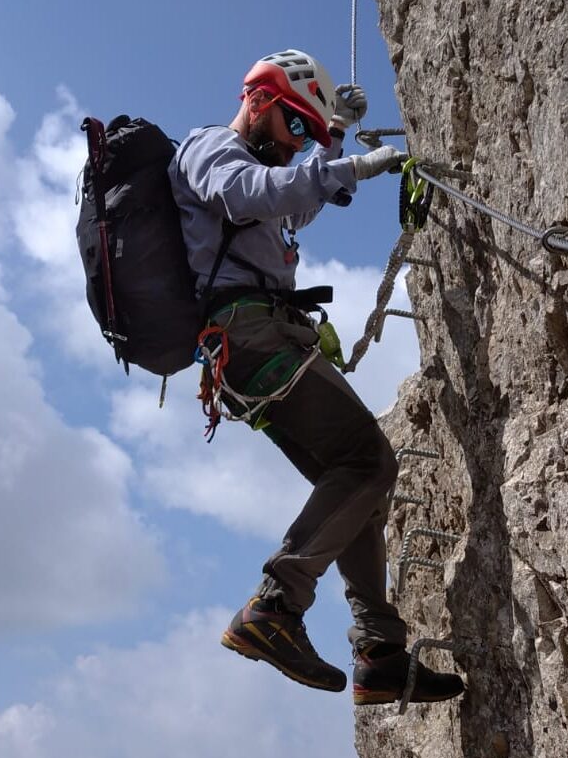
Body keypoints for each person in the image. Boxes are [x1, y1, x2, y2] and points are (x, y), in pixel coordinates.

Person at [168, 49, 463, 708]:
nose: (296, 142)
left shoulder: (262, 167)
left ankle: (380, 654)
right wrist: (344, 162)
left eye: (307, 132)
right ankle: (275, 606)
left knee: (354, 486)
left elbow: (288, 209)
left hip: (257, 344)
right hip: (251, 336)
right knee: (367, 463)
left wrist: (327, 144)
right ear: (261, 101)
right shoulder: (210, 148)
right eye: (293, 126)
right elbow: (249, 193)